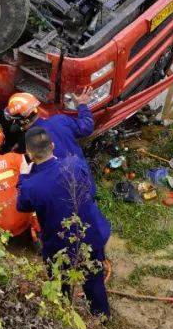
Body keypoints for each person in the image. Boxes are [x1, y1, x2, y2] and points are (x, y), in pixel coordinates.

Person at [16, 126, 111, 317]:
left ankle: (64, 315)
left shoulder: (31, 185)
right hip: (91, 234)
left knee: (59, 281)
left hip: (58, 246)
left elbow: (22, 206)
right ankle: (101, 317)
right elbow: (91, 191)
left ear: (29, 154)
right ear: (52, 145)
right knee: (93, 278)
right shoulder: (75, 163)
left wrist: (24, 175)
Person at [4, 88, 93, 164]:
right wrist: (82, 105)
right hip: (84, 178)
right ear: (37, 108)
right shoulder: (61, 120)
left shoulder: (29, 144)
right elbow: (87, 127)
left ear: (19, 122)